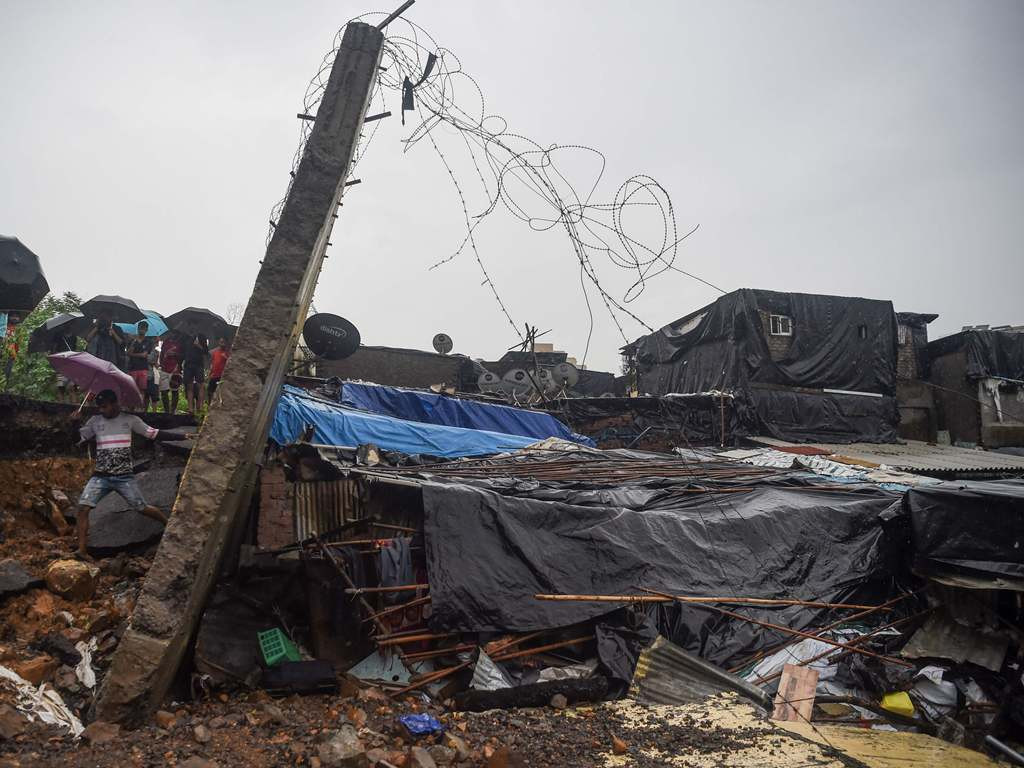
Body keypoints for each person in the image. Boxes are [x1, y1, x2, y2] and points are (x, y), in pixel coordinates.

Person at [72, 389, 173, 561]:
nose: (102, 410)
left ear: (115, 404)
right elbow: (78, 440)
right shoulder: (95, 421)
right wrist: (74, 424)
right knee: (82, 509)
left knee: (142, 507)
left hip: (124, 477)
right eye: (100, 407)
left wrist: (183, 436)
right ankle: (82, 551)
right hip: (100, 476)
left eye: (105, 407)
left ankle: (169, 525)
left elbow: (153, 433)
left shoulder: (130, 419)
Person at [125, 321, 154, 403]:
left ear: (146, 330)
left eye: (144, 328)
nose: (142, 330)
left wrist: (133, 354)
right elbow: (128, 353)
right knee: (132, 388)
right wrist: (134, 343)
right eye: (140, 328)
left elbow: (144, 355)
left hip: (143, 368)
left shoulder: (149, 341)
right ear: (138, 328)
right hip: (132, 367)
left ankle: (139, 406)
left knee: (142, 388)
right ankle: (131, 406)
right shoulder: (132, 341)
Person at [182, 333, 208, 415]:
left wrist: (198, 345)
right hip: (188, 364)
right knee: (189, 386)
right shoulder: (186, 337)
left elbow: (206, 352)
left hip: (199, 365)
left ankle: (200, 407)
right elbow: (183, 351)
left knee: (201, 385)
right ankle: (190, 409)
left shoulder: (202, 337)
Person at [159, 331, 184, 414]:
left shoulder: (180, 344)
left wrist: (175, 354)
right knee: (164, 391)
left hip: (175, 369)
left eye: (175, 333)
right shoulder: (165, 342)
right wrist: (161, 363)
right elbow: (162, 353)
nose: (173, 335)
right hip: (164, 369)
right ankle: (166, 411)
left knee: (174, 390)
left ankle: (172, 411)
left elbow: (182, 356)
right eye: (172, 333)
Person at [207, 336, 231, 401]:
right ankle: (209, 405)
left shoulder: (228, 353)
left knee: (219, 392)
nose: (222, 343)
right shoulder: (215, 351)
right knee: (210, 391)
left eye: (223, 342)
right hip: (214, 375)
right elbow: (212, 363)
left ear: (226, 343)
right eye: (221, 342)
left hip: (222, 376)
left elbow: (230, 363)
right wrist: (210, 373)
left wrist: (226, 358)